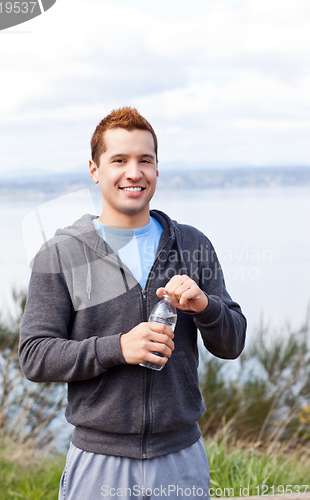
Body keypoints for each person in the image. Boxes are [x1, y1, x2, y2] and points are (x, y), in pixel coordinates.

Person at [19, 107, 246, 500]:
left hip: (182, 455)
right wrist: (118, 348)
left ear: (157, 169)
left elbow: (232, 343)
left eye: (145, 160)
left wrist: (205, 306)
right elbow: (35, 356)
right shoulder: (60, 253)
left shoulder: (192, 245)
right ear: (94, 169)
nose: (134, 172)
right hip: (98, 460)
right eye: (119, 160)